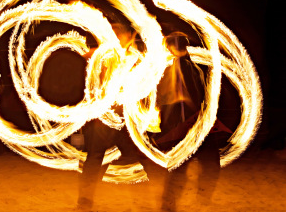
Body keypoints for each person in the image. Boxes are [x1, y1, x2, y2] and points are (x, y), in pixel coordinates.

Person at [77, 22, 147, 210]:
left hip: (124, 116)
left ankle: (141, 201)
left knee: (132, 156)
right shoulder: (104, 54)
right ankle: (84, 202)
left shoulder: (133, 56)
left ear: (128, 35)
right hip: (103, 116)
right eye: (113, 33)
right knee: (96, 157)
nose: (115, 36)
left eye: (119, 33)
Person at [155, 32, 226, 211]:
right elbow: (171, 98)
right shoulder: (177, 67)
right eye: (177, 44)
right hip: (188, 124)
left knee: (204, 164)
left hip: (195, 123)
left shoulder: (190, 66)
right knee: (194, 165)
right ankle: (172, 203)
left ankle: (180, 202)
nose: (179, 47)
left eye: (181, 44)